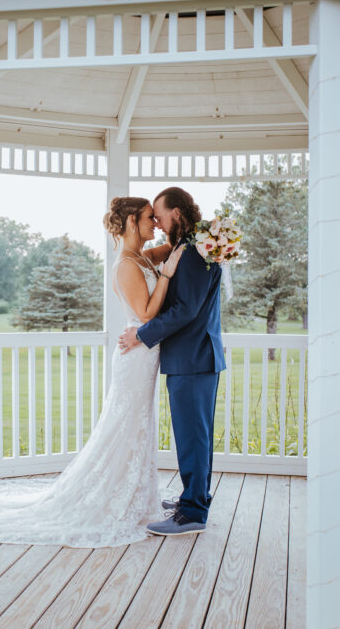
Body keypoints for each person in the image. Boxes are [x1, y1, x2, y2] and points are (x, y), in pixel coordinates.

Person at [0, 196, 185, 547]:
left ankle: (133, 493)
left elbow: (175, 248)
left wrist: (200, 237)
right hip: (135, 357)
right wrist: (166, 275)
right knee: (125, 425)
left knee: (140, 426)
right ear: (132, 222)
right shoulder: (125, 265)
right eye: (150, 217)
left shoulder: (142, 257)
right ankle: (110, 496)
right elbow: (147, 313)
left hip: (146, 355)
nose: (155, 223)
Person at [118, 186, 225, 537]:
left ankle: (192, 512)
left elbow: (185, 310)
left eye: (160, 216)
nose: (158, 224)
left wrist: (141, 334)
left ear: (176, 213)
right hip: (194, 357)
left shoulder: (193, 251)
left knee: (193, 437)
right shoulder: (190, 245)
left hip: (193, 357)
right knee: (194, 436)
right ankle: (193, 499)